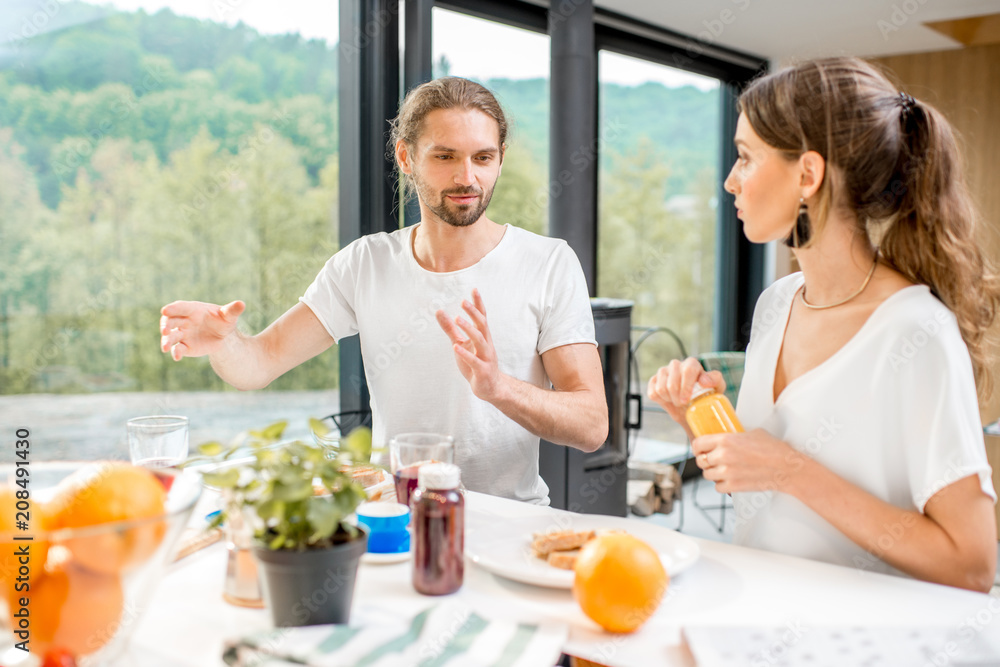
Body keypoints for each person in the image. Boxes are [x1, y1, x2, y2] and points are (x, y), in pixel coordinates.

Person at [159, 77, 608, 505]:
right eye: (445, 156)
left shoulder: (548, 263)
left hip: (510, 520)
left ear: (500, 159)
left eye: (483, 158)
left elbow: (591, 425)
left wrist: (499, 388)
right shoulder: (364, 264)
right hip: (397, 519)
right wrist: (225, 342)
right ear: (406, 157)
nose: (467, 178)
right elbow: (258, 364)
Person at [648, 57, 998, 591]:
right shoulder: (777, 303)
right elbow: (760, 494)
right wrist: (700, 417)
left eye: (745, 158)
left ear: (807, 175)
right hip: (762, 617)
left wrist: (788, 468)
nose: (729, 181)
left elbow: (972, 564)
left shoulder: (915, 330)